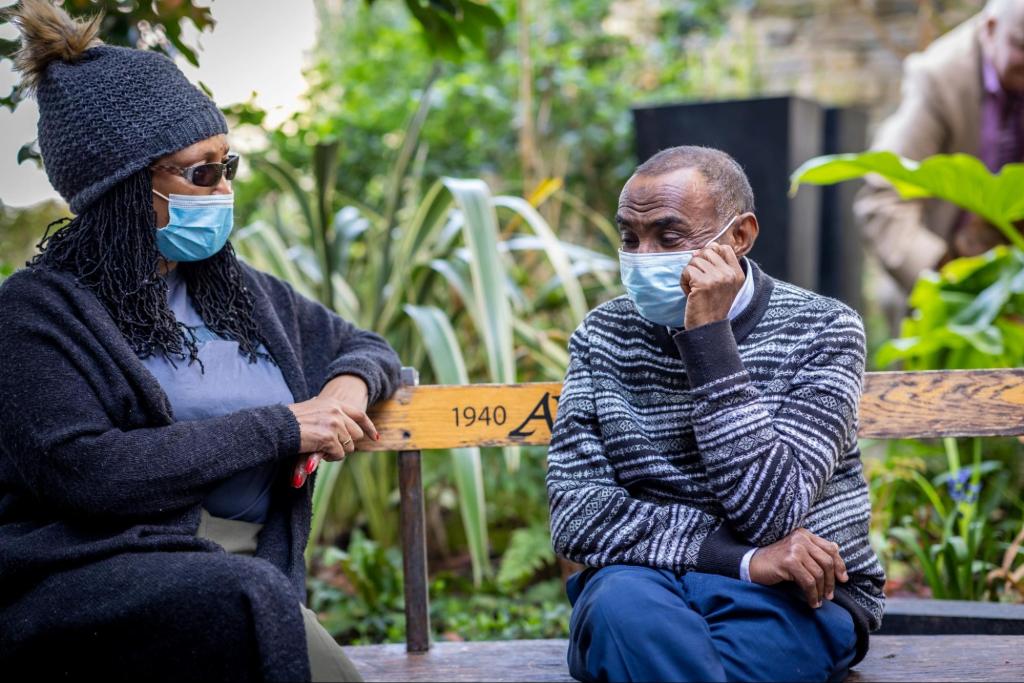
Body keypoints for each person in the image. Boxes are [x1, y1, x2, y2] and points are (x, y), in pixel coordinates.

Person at [0, 1, 401, 680]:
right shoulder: (34, 316)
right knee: (253, 612)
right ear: (124, 186)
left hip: (243, 573)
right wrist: (282, 426)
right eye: (200, 172)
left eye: (228, 166)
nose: (223, 191)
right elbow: (91, 472)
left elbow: (364, 345)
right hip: (95, 574)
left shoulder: (232, 288)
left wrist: (344, 388)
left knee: (251, 603)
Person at [546, 146, 886, 683]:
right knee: (618, 604)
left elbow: (772, 514)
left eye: (668, 236)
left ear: (739, 237)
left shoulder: (825, 330)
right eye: (629, 238)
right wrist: (743, 558)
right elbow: (577, 515)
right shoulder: (601, 336)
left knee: (632, 647)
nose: (641, 255)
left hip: (796, 595)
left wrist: (708, 339)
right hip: (644, 585)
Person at [855, 0, 1024, 294]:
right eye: (1021, 45)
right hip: (946, 280)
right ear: (990, 29)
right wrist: (945, 282)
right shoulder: (939, 77)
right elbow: (883, 199)